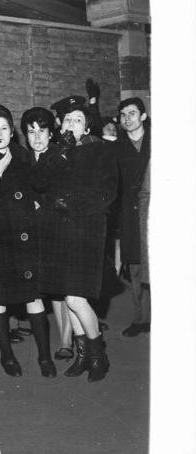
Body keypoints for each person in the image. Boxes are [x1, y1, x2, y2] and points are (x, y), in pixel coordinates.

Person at [0, 104, 56, 379]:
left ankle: (44, 357)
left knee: (34, 299)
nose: (0, 134)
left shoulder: (22, 156)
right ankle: (7, 355)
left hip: (23, 239)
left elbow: (39, 189)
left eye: (4, 128)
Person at [34, 104, 118, 382]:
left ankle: (98, 353)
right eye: (68, 119)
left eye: (78, 119)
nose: (71, 123)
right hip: (59, 233)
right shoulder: (57, 151)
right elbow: (41, 182)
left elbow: (106, 193)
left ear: (88, 126)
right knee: (70, 299)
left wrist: (70, 204)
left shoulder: (101, 150)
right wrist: (60, 150)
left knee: (74, 297)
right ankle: (83, 356)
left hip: (87, 231)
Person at [19, 106, 73, 362]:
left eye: (42, 131)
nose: (37, 137)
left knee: (64, 288)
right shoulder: (24, 160)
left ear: (51, 134)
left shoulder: (59, 156)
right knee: (51, 288)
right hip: (35, 232)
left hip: (58, 229)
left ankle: (66, 341)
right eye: (31, 132)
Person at [115, 97, 151, 337]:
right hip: (130, 215)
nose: (127, 118)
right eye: (123, 115)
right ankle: (141, 319)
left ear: (143, 116)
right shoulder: (117, 148)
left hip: (157, 212)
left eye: (132, 113)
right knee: (136, 270)